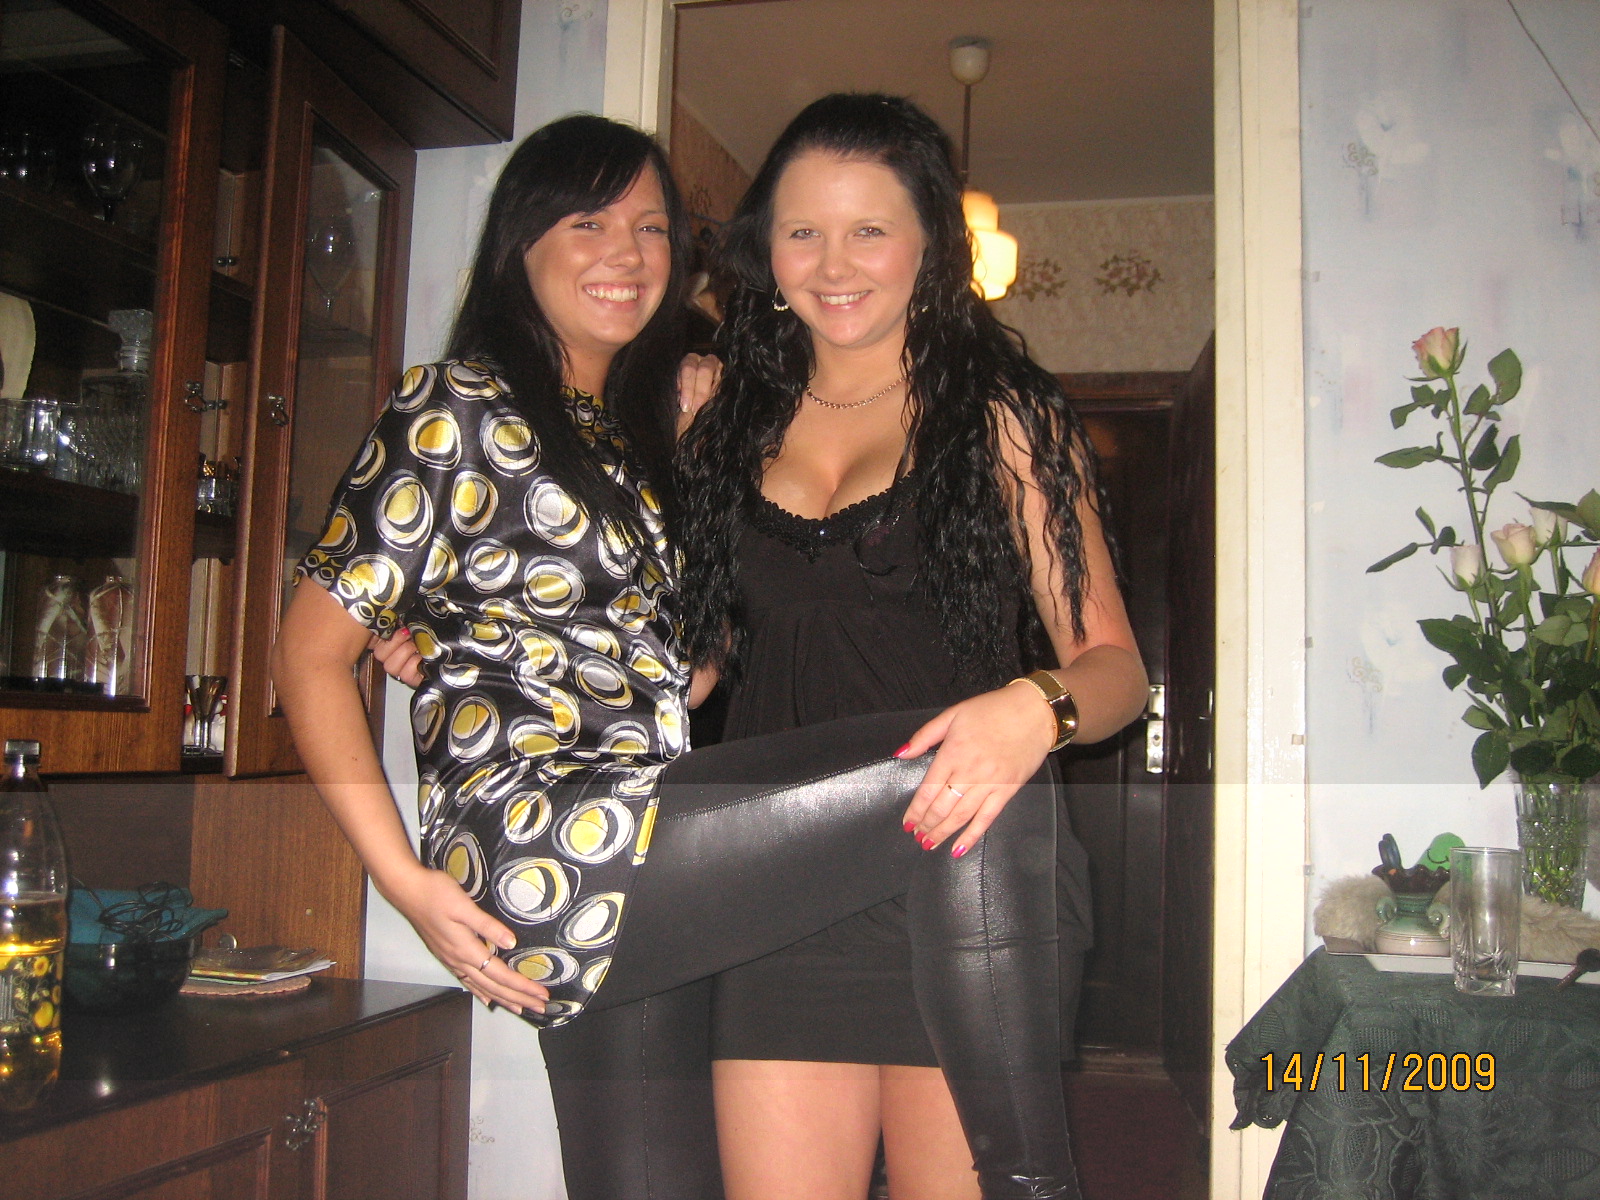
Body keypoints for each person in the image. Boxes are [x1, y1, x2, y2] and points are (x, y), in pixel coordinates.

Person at [273, 111, 1098, 1200]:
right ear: (520, 242)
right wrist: (404, 883)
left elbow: (680, 670)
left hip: (647, 832)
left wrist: (463, 635)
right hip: (549, 830)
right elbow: (306, 655)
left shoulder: (640, 428)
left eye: (652, 227)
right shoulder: (454, 404)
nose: (625, 253)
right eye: (587, 222)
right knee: (980, 781)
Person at [674, 93, 1147, 1200]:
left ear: (931, 244)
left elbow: (1117, 669)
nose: (834, 264)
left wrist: (1035, 707)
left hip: (964, 871)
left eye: (869, 230)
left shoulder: (1003, 417)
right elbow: (690, 668)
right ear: (766, 249)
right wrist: (483, 654)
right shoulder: (722, 420)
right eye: (803, 230)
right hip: (773, 883)